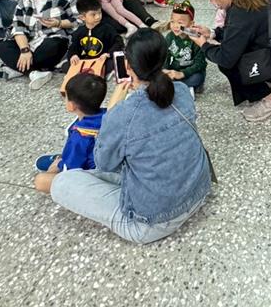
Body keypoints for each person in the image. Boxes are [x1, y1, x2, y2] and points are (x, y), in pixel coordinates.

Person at [49, 28, 212, 243]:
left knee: (61, 183)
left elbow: (104, 163)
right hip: (198, 190)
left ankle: (59, 171)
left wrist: (112, 109)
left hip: (151, 223)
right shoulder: (181, 90)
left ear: (127, 66)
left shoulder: (123, 114)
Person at [0, 0, 77, 90]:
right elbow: (18, 27)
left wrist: (59, 23)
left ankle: (18, 68)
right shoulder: (24, 1)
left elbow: (80, 20)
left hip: (54, 43)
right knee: (2, 47)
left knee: (51, 46)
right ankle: (34, 72)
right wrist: (25, 50)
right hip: (30, 44)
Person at [34, 72, 107, 194]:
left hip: (93, 176)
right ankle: (63, 157)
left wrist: (55, 168)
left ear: (71, 106)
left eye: (66, 96)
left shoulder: (80, 137)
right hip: (107, 163)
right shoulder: (109, 113)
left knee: (40, 181)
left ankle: (60, 160)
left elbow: (70, 172)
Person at [64, 0, 123, 67]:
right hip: (87, 61)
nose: (98, 17)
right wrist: (73, 55)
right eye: (93, 14)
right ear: (82, 17)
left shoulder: (108, 28)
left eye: (100, 13)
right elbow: (73, 47)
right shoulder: (79, 32)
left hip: (104, 59)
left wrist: (108, 54)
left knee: (114, 63)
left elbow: (119, 42)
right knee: (66, 65)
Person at [164, 0, 207, 92]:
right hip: (175, 69)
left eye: (180, 23)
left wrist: (183, 73)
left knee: (197, 78)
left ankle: (177, 85)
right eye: (172, 21)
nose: (175, 26)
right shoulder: (169, 37)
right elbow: (165, 56)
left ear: (191, 24)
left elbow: (201, 63)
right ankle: (181, 85)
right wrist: (165, 70)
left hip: (191, 71)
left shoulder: (196, 38)